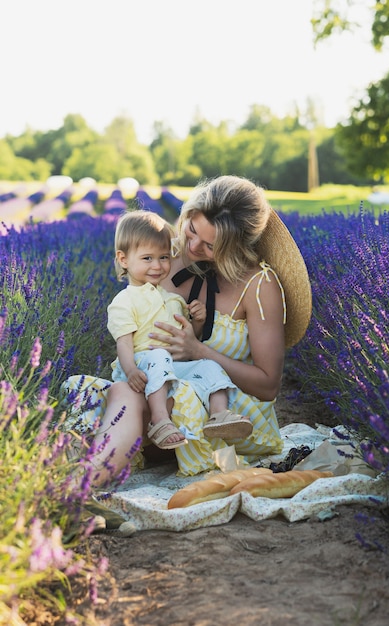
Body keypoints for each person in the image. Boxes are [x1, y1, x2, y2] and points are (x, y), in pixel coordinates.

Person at [63, 175, 311, 485]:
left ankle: (81, 482)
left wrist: (198, 350)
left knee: (134, 400)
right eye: (191, 230)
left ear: (235, 247)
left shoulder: (259, 285)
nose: (191, 247)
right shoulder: (168, 258)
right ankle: (82, 479)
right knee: (117, 392)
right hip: (162, 398)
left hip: (225, 410)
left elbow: (268, 385)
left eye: (210, 246)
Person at [107, 209, 251, 451]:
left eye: (164, 257)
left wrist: (197, 320)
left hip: (171, 365)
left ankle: (219, 415)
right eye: (147, 258)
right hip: (142, 364)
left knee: (209, 365)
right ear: (123, 260)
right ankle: (159, 420)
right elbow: (123, 342)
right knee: (159, 356)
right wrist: (131, 370)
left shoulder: (172, 298)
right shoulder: (124, 300)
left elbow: (188, 340)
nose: (157, 266)